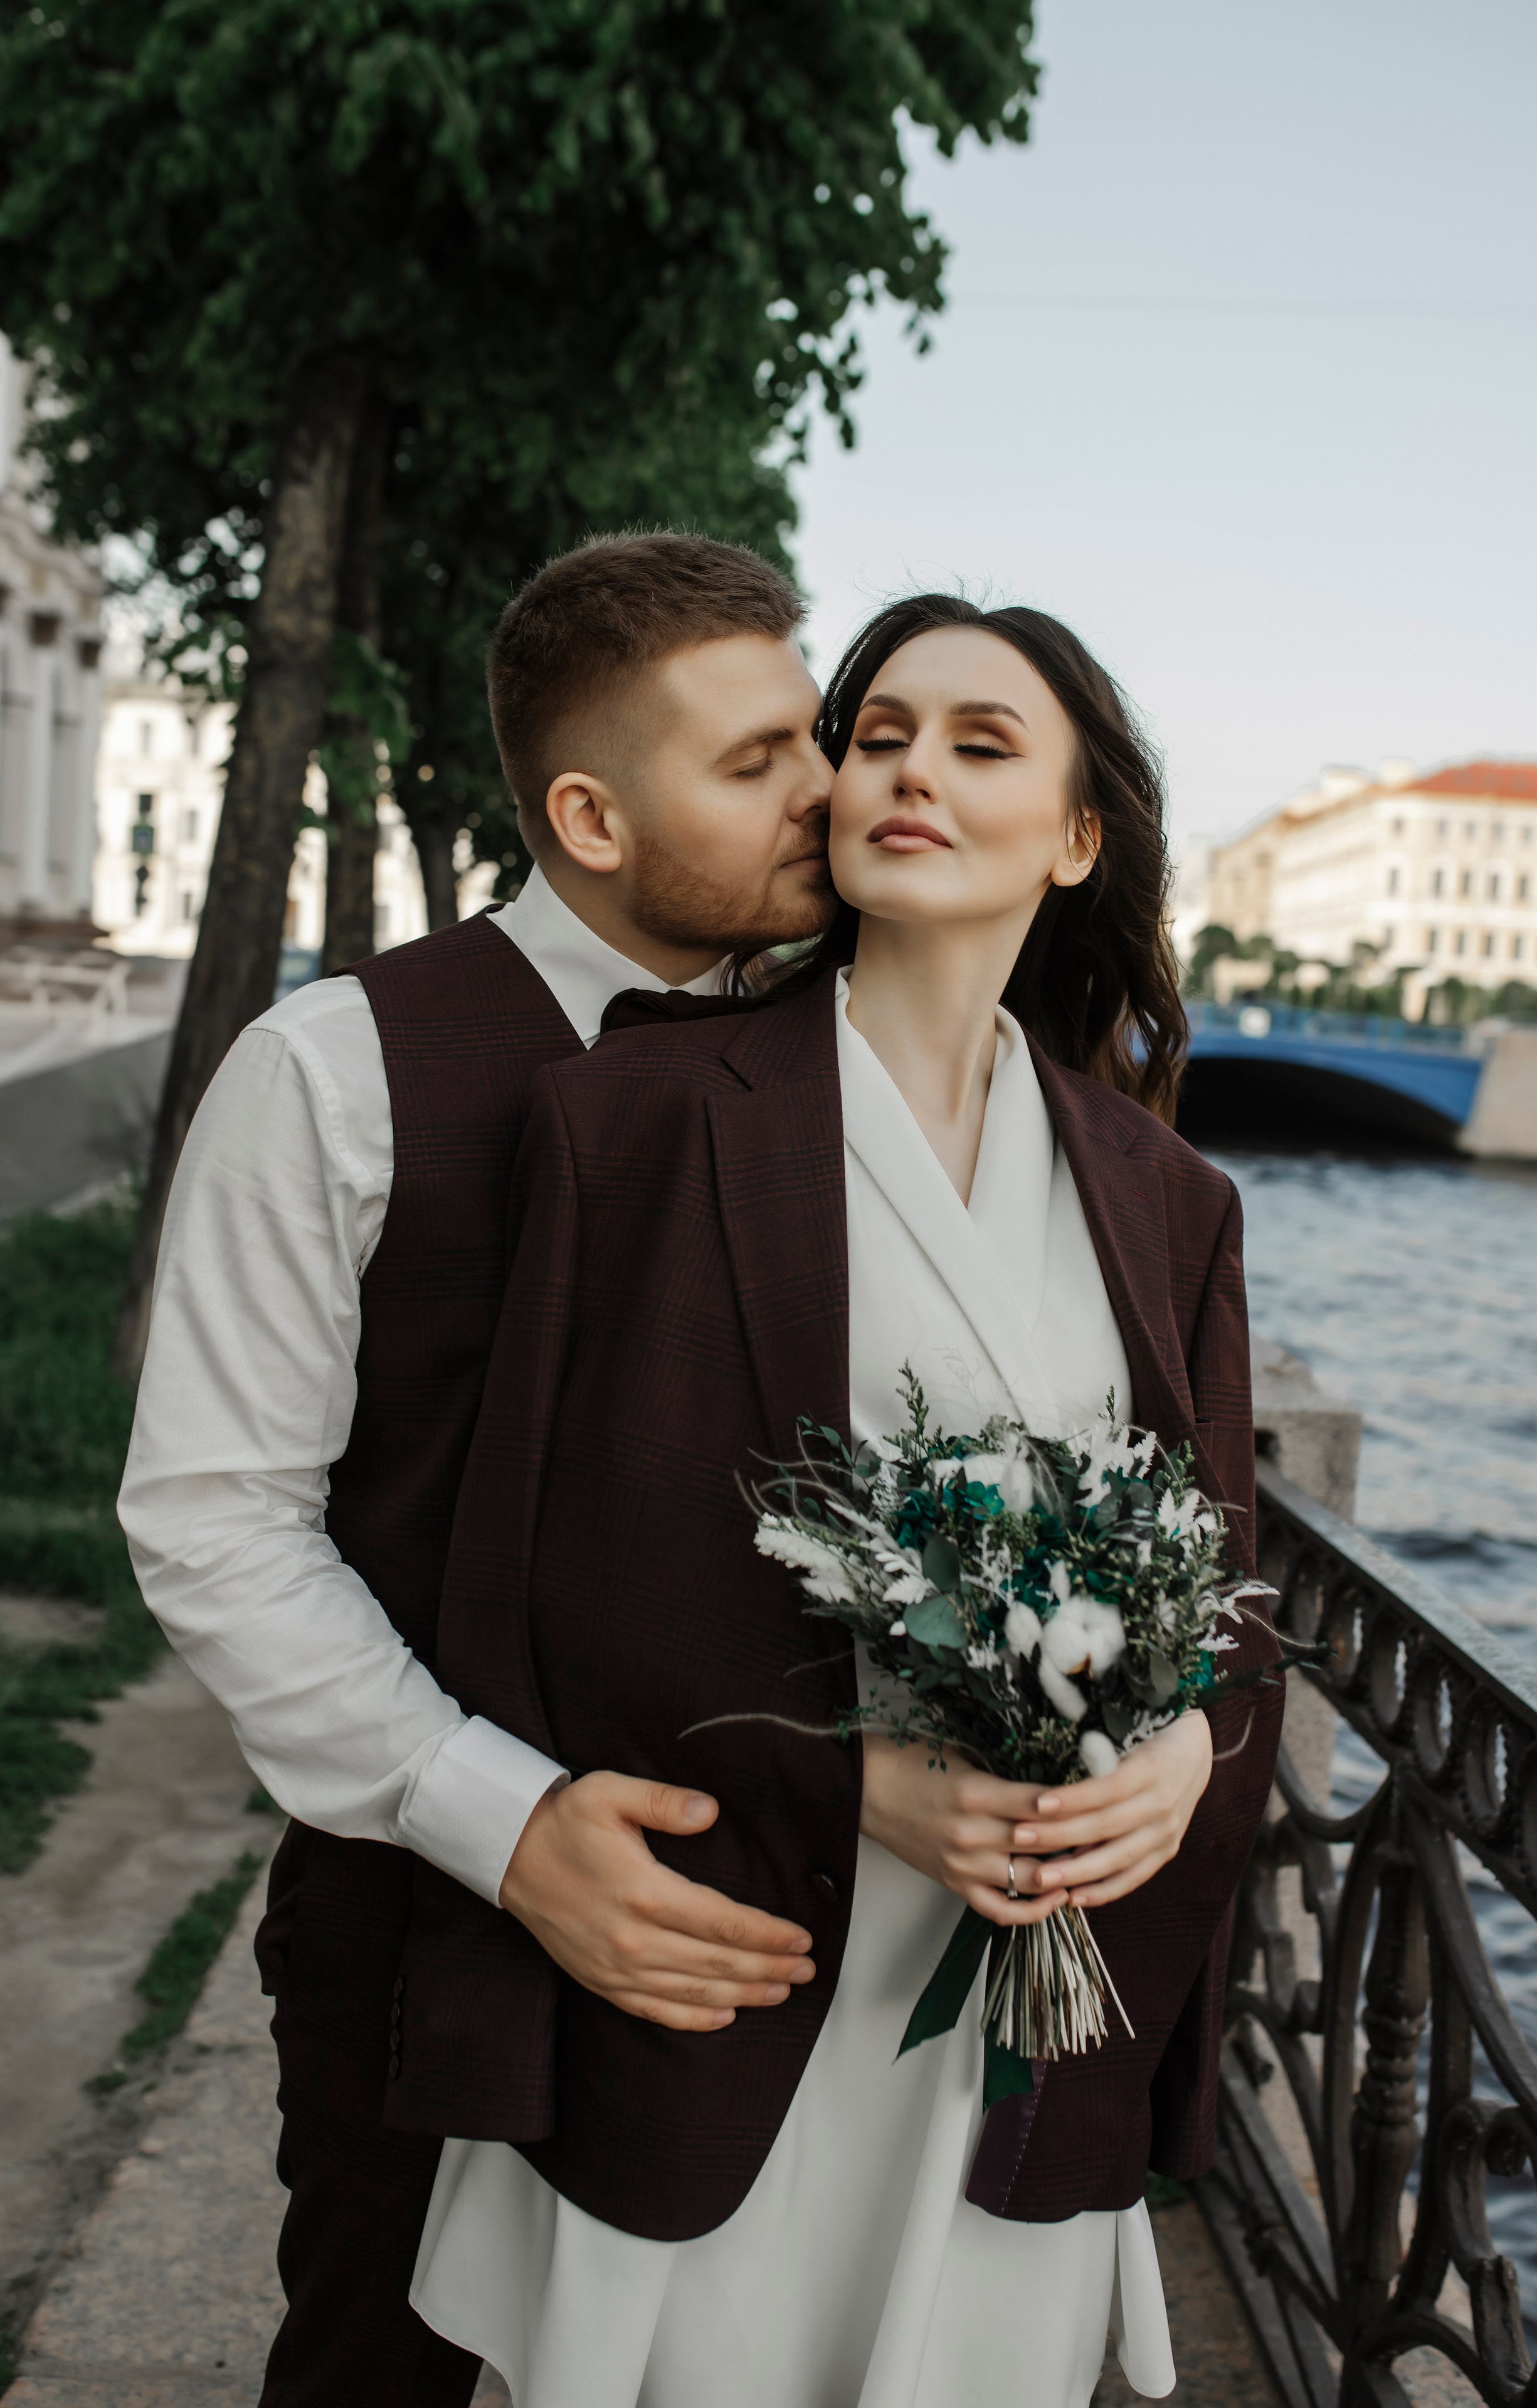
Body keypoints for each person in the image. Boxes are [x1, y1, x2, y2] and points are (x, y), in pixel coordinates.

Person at [397, 595, 1286, 2405]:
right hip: (737, 1938)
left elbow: (1233, 1594)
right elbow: (545, 1571)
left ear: (1079, 832)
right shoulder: (631, 1116)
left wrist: (1187, 1751)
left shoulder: (1168, 1197)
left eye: (982, 745)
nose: (910, 773)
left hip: (1020, 1998)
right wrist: (853, 1782)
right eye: (879, 734)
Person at [117, 530, 843, 2408]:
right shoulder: (332, 1071)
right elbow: (216, 1523)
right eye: (756, 761)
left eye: (813, 736)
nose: (826, 791)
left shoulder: (854, 1064)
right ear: (591, 816)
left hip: (778, 1936)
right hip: (425, 1932)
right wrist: (504, 1825)